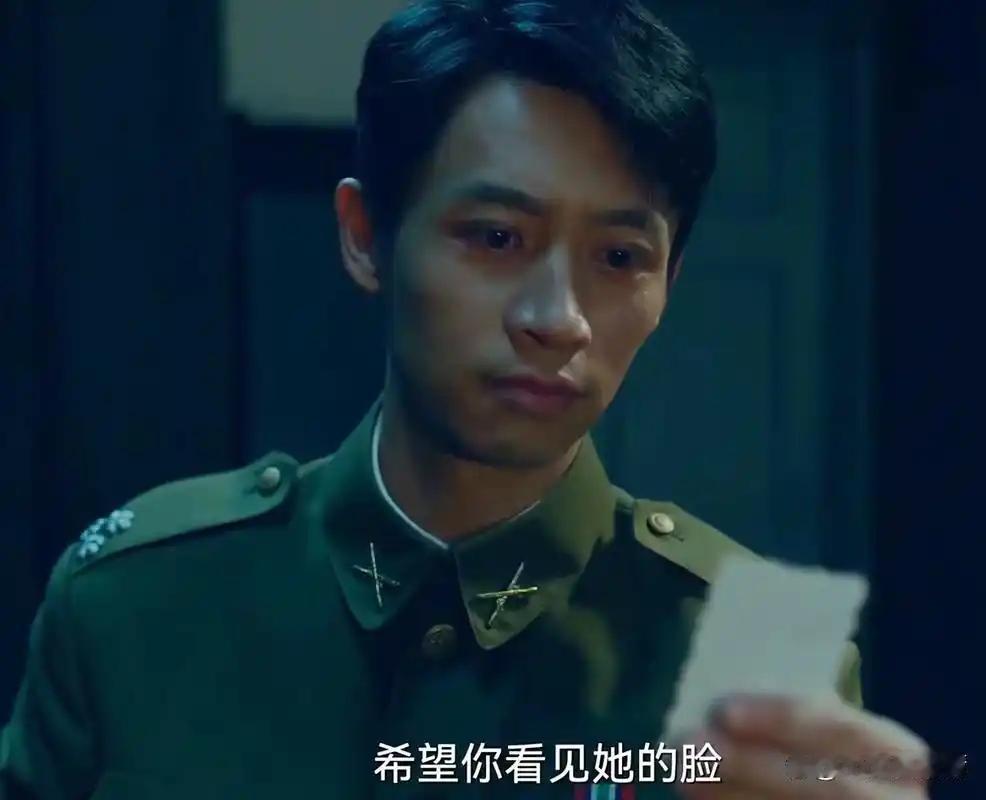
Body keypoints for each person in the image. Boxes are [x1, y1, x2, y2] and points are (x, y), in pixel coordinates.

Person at [1, 1, 931, 798]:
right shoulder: (137, 605)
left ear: (668, 285)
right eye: (495, 237)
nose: (557, 318)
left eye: (619, 257)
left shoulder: (751, 661)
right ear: (366, 236)